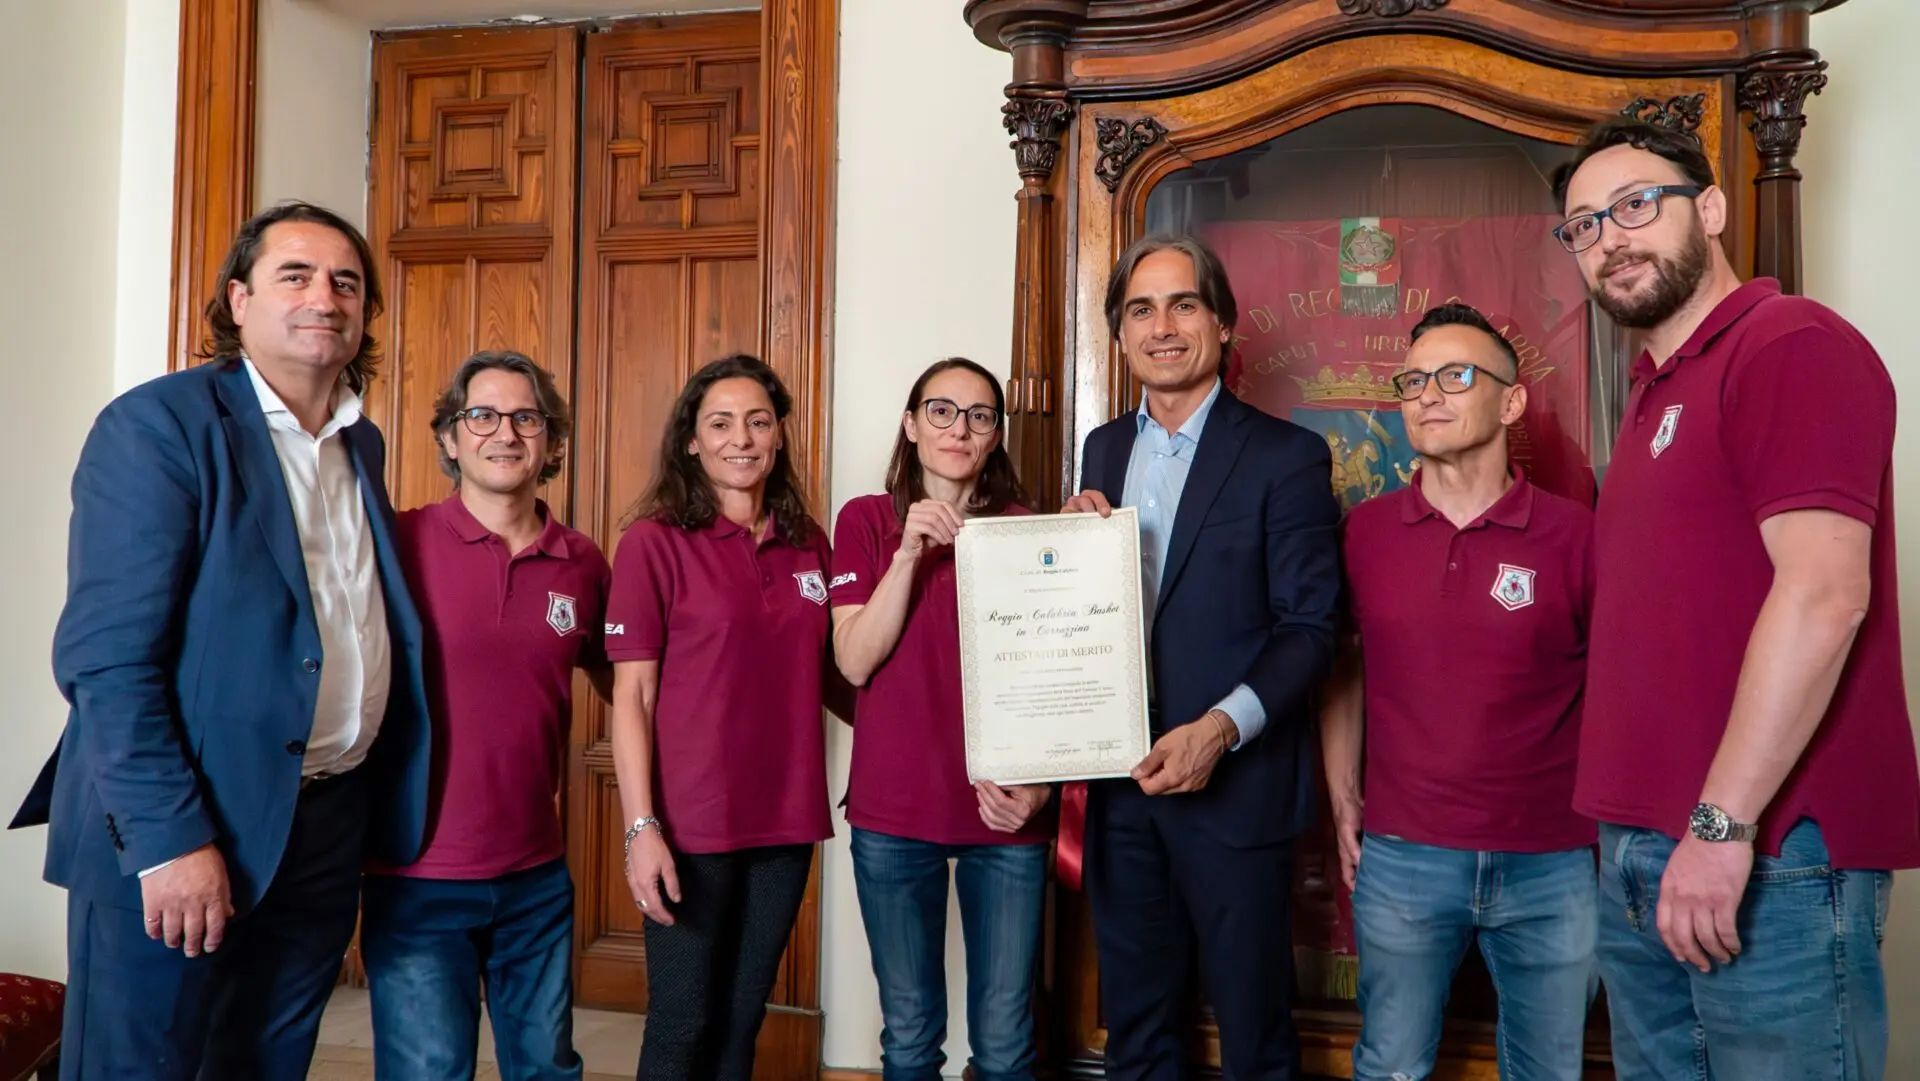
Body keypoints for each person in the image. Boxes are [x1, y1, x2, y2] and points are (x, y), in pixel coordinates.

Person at [8, 201, 432, 1080]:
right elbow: (108, 661)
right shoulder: (159, 427)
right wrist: (169, 842)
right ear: (238, 300)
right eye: (296, 275)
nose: (326, 296)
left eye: (347, 283)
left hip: (319, 827)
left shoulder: (364, 446)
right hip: (183, 832)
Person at [1556, 118, 1920, 1080]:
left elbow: (1824, 593)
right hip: (1643, 844)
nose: (1610, 239)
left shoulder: (1788, 343)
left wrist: (1721, 828)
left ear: (1709, 208)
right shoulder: (1653, 388)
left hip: (1768, 852)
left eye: (1636, 205)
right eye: (1583, 226)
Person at [1061, 232, 1342, 1080]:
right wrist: (1073, 555)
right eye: (1141, 309)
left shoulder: (1285, 456)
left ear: (1221, 324)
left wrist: (1220, 729)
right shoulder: (1102, 451)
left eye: (1184, 304)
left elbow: (1312, 629)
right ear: (1120, 335)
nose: (1163, 326)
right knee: (1139, 1032)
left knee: (1255, 1037)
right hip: (1119, 787)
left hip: (1235, 790)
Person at [1321, 302, 1596, 1081]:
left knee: (1549, 1070)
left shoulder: (1576, 535)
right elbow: (1344, 669)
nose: (1428, 395)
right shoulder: (1365, 533)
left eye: (1454, 375)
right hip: (1406, 853)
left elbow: (1616, 690)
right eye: (1413, 380)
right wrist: (1343, 796)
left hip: (1553, 861)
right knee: (1391, 1066)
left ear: (1512, 401)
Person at [363, 351, 611, 1080]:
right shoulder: (399, 543)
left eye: (526, 417)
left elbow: (634, 686)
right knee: (429, 1071)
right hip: (415, 875)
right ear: (449, 437)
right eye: (482, 415)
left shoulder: (582, 563)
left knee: (547, 1069)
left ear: (552, 441)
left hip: (536, 876)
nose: (505, 432)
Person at [603, 354, 838, 1081]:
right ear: (692, 441)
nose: (742, 437)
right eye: (721, 422)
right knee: (683, 1023)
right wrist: (642, 828)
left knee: (742, 1020)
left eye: (759, 421)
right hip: (691, 824)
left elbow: (845, 675)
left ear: (778, 437)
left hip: (785, 824)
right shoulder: (654, 542)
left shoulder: (809, 544)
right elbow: (632, 698)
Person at [829, 358, 1054, 1081]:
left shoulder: (1026, 529)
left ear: (995, 437)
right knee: (911, 1036)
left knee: (1006, 1044)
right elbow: (856, 661)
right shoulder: (866, 519)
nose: (960, 428)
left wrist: (1044, 788)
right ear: (911, 423)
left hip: (1007, 812)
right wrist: (908, 554)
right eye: (942, 410)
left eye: (980, 415)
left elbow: (1059, 678)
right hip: (893, 812)